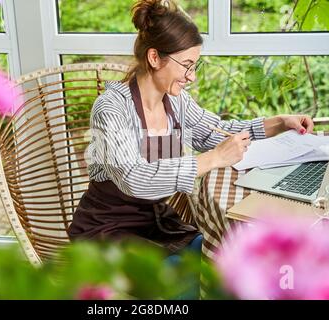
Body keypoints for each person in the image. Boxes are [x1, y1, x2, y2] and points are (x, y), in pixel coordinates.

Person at [68, 0, 313, 262]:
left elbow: (218, 132)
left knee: (225, 252)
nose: (191, 76)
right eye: (186, 65)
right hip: (107, 234)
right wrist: (214, 158)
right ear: (154, 58)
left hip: (156, 225)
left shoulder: (175, 101)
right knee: (202, 273)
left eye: (194, 66)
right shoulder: (111, 108)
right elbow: (133, 178)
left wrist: (279, 122)